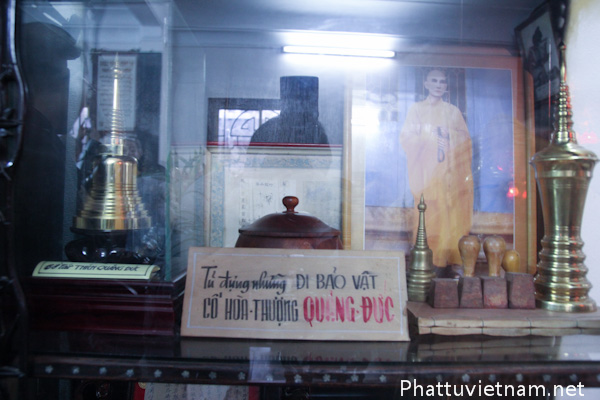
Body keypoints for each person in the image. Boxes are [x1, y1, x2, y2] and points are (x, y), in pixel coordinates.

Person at [399, 68, 473, 267]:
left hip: (449, 176)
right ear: (426, 84)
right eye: (434, 81)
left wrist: (448, 136)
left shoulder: (452, 111)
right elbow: (406, 138)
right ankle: (426, 263)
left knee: (449, 218)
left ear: (446, 86)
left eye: (442, 82)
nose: (438, 85)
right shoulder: (416, 109)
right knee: (427, 217)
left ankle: (449, 262)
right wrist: (428, 137)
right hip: (425, 176)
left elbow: (465, 141)